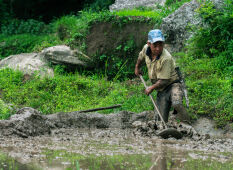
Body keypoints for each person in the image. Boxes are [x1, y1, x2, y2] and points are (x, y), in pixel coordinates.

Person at [135, 29, 190, 123]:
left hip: (173, 84)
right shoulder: (145, 49)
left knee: (177, 104)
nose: (158, 48)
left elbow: (164, 80)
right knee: (160, 121)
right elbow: (140, 57)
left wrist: (151, 87)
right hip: (161, 89)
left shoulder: (166, 58)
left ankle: (188, 124)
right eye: (155, 45)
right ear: (149, 44)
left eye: (161, 45)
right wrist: (137, 67)